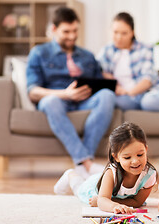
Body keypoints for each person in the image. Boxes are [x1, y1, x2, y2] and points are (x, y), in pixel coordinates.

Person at [26, 7, 116, 178]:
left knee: (107, 96)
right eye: (66, 31)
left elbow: (100, 85)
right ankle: (85, 162)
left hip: (84, 100)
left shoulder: (87, 56)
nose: (72, 36)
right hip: (57, 99)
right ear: (54, 29)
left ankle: (83, 163)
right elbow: (33, 91)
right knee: (50, 101)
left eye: (75, 31)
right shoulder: (39, 53)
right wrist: (65, 94)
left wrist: (107, 79)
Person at [54, 122, 157, 214]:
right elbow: (103, 199)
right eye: (127, 157)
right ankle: (70, 174)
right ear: (116, 157)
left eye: (140, 155)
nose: (135, 161)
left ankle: (90, 171)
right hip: (95, 188)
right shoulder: (112, 172)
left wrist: (109, 202)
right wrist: (112, 206)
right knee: (78, 187)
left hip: (109, 188)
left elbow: (137, 202)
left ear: (146, 150)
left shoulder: (149, 175)